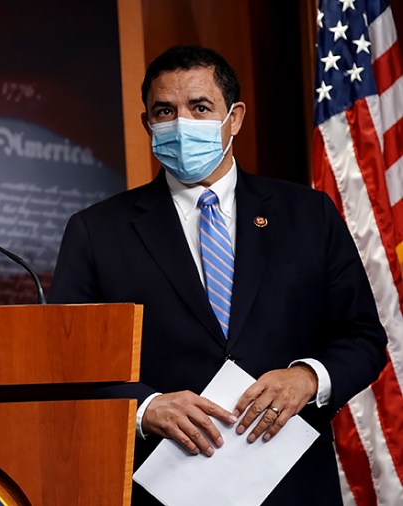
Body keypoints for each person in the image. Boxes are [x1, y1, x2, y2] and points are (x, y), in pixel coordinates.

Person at [49, 45, 387, 505]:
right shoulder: (96, 231)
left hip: (291, 484)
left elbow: (363, 337)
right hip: (161, 484)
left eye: (200, 107)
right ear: (147, 123)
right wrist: (145, 407)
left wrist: (307, 378)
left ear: (235, 117)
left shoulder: (308, 215)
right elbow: (69, 361)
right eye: (164, 111)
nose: (181, 124)